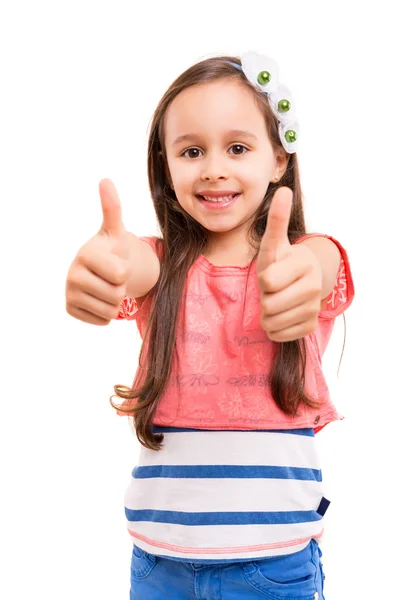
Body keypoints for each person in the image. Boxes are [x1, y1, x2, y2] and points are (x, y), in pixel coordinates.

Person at [65, 52, 354, 600]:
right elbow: (132, 261)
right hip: (157, 565)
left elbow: (320, 266)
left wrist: (298, 278)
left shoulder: (308, 256)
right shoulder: (159, 268)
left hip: (274, 568)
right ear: (166, 165)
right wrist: (106, 265)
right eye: (192, 150)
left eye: (238, 148)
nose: (214, 167)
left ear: (277, 160)